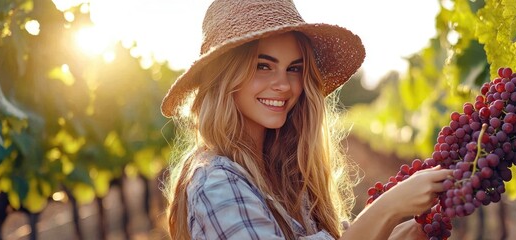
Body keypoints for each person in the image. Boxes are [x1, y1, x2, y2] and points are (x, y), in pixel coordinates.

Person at [161, 0, 452, 239]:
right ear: (224, 77)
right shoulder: (216, 182)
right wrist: (387, 209)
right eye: (263, 66)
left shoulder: (283, 173)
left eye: (294, 69)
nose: (284, 85)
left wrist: (392, 233)